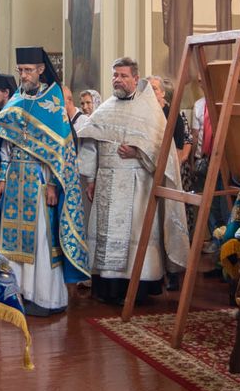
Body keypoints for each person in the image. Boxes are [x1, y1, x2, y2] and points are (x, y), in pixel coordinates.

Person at [0, 47, 88, 316]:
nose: (24, 75)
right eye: (20, 70)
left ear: (41, 70)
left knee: (40, 239)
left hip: (39, 182)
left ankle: (43, 297)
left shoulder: (52, 103)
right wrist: (2, 179)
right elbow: (5, 144)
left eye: (28, 70)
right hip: (15, 180)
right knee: (12, 240)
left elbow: (60, 151)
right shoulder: (17, 99)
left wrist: (53, 183)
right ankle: (19, 293)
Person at [79, 59, 189, 305]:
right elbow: (90, 142)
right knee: (105, 236)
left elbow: (164, 153)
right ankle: (107, 289)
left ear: (135, 79)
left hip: (137, 185)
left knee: (136, 237)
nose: (117, 79)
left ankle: (135, 290)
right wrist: (90, 178)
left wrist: (139, 153)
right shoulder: (106, 107)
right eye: (115, 75)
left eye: (123, 75)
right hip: (106, 182)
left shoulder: (149, 109)